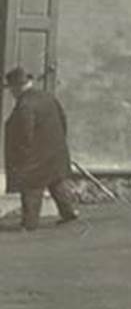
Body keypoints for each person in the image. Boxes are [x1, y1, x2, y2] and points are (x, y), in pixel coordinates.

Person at [3, 67, 79, 231]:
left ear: (16, 87)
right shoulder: (48, 97)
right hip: (55, 151)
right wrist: (58, 142)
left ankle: (29, 224)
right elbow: (63, 119)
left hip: (34, 157)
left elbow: (24, 133)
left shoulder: (25, 105)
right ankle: (69, 213)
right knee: (57, 182)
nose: (11, 93)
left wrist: (21, 155)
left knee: (31, 189)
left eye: (11, 89)